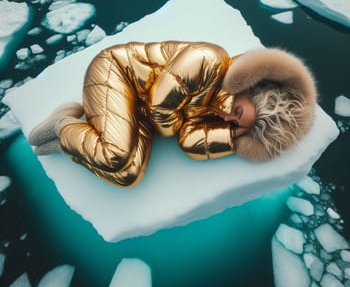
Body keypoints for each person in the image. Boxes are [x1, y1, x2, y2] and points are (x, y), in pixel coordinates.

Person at [28, 41, 317, 187]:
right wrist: (174, 124)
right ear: (252, 87)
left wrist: (233, 134)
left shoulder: (220, 116)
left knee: (128, 176)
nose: (228, 117)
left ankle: (72, 138)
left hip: (135, 110)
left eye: (234, 122)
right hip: (116, 73)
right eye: (238, 112)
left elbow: (189, 142)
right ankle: (64, 122)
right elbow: (160, 109)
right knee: (115, 156)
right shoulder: (210, 60)